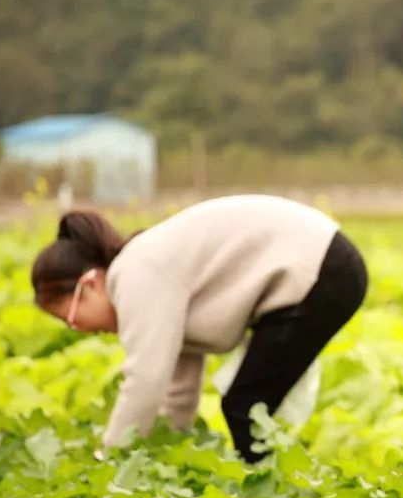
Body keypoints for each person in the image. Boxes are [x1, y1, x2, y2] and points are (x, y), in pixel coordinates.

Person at [31, 195, 367, 462]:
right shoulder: (148, 274)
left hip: (321, 268)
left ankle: (272, 497)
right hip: (324, 265)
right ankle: (276, 484)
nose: (78, 329)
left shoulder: (134, 273)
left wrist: (110, 458)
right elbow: (179, 389)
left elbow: (146, 378)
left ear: (90, 284)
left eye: (71, 316)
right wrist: (168, 445)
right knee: (251, 406)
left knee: (246, 406)